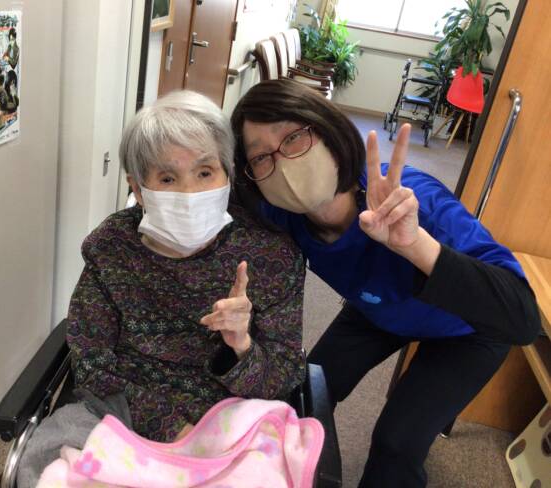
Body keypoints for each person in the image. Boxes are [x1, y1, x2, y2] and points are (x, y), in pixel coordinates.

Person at [230, 79, 540, 488]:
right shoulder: (281, 212)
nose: (283, 163)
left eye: (293, 138)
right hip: (377, 308)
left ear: (327, 132)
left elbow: (522, 318)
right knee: (301, 392)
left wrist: (416, 246)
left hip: (464, 330)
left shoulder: (415, 200)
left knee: (396, 444)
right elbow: (209, 188)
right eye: (261, 157)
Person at [17, 90, 306, 487]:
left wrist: (241, 345)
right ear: (138, 189)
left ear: (228, 174)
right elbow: (91, 356)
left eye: (205, 173)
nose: (189, 193)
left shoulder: (271, 256)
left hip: (229, 415)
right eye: (167, 178)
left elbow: (282, 378)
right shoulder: (112, 247)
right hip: (121, 404)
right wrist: (170, 426)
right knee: (46, 467)